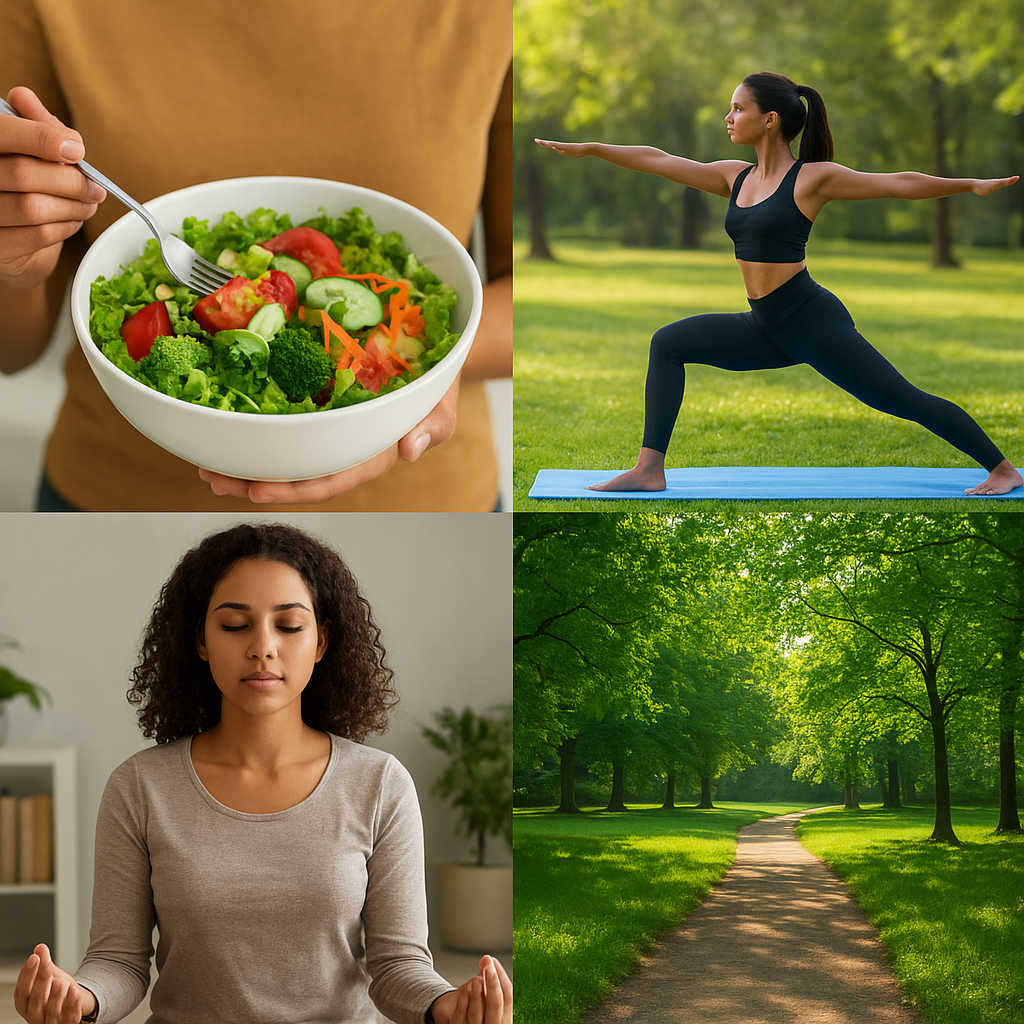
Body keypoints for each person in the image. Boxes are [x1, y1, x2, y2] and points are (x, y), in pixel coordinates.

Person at [0, 1, 511, 511]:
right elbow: (13, 352)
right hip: (117, 496)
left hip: (424, 500)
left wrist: (428, 382)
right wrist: (17, 267)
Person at [12, 522, 512, 1024]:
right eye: (234, 626)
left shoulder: (380, 784)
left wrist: (444, 1005)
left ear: (321, 641)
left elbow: (399, 964)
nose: (262, 647)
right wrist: (81, 999)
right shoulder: (140, 787)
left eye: (289, 626)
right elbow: (118, 961)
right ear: (200, 642)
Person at [536, 70, 1022, 496]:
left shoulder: (812, 179)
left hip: (810, 322)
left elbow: (899, 182)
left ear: (770, 119)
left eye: (737, 107)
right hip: (763, 324)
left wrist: (969, 185)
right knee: (668, 342)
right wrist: (594, 148)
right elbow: (659, 159)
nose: (728, 117)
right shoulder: (736, 177)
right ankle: (648, 469)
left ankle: (1002, 469)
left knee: (903, 400)